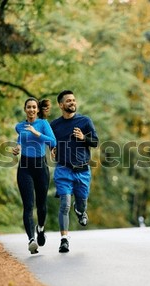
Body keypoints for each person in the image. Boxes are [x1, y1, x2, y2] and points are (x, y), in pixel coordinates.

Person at [50, 90, 99, 253]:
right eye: (68, 101)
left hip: (83, 171)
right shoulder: (54, 125)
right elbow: (49, 141)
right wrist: (52, 148)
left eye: (74, 100)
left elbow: (95, 142)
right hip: (63, 170)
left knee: (81, 203)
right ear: (61, 105)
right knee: (65, 205)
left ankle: (81, 211)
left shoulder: (85, 121)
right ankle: (64, 240)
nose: (72, 103)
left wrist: (83, 138)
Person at [13, 97, 56, 254]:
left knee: (41, 205)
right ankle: (31, 240)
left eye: (34, 107)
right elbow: (21, 138)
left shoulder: (43, 124)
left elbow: (53, 141)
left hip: (40, 167)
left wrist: (37, 133)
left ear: (37, 110)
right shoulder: (19, 126)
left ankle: (41, 228)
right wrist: (17, 147)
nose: (31, 109)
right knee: (28, 205)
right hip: (24, 167)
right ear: (25, 109)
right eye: (28, 107)